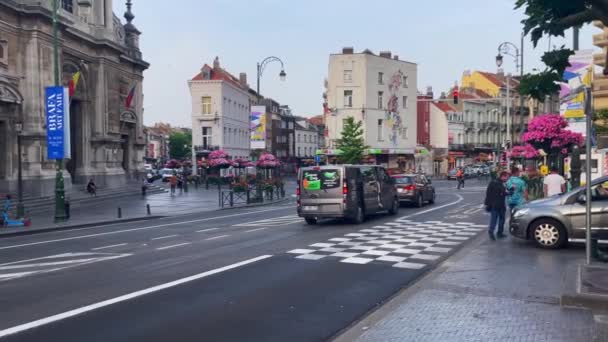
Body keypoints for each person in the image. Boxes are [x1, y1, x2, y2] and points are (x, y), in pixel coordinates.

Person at [485, 171, 509, 240]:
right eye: (507, 177)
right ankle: (495, 233)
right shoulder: (497, 183)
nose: (507, 179)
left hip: (497, 204)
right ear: (503, 176)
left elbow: (488, 194)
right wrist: (510, 192)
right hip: (497, 204)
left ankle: (496, 232)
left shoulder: (496, 182)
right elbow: (502, 192)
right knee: (497, 219)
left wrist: (487, 203)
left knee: (497, 219)